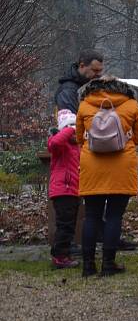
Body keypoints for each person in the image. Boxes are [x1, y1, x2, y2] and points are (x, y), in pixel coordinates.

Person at [76, 76, 138, 276]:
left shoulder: (84, 105)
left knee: (91, 216)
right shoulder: (131, 104)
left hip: (92, 165)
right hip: (122, 166)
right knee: (115, 216)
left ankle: (88, 265)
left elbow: (79, 138)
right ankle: (108, 264)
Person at [47, 110, 80, 269]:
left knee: (68, 225)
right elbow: (54, 143)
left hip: (73, 190)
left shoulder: (75, 146)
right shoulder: (59, 144)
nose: (74, 131)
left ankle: (63, 254)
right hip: (62, 190)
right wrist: (70, 128)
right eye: (69, 128)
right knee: (65, 225)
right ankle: (59, 257)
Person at [55, 49, 105, 113]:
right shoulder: (67, 91)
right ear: (82, 66)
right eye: (95, 70)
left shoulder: (96, 85)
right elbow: (71, 121)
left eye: (101, 70)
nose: (99, 74)